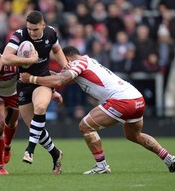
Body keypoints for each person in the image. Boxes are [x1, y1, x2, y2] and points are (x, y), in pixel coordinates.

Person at [20, 46, 175, 174]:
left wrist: (31, 79)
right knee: (134, 135)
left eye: (62, 61)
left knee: (85, 126)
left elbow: (61, 79)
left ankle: (102, 166)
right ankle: (169, 158)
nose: (62, 65)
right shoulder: (88, 61)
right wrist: (40, 73)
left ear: (67, 58)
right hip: (137, 99)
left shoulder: (77, 63)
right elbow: (62, 77)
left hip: (122, 100)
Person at [2, 10, 68, 174]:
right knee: (34, 127)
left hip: (43, 81)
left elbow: (57, 50)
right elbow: (5, 58)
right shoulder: (19, 35)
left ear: (43, 26)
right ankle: (55, 154)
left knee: (40, 107)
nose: (32, 32)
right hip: (23, 83)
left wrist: (66, 66)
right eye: (29, 29)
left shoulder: (51, 33)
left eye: (35, 29)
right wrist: (28, 60)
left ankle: (29, 149)